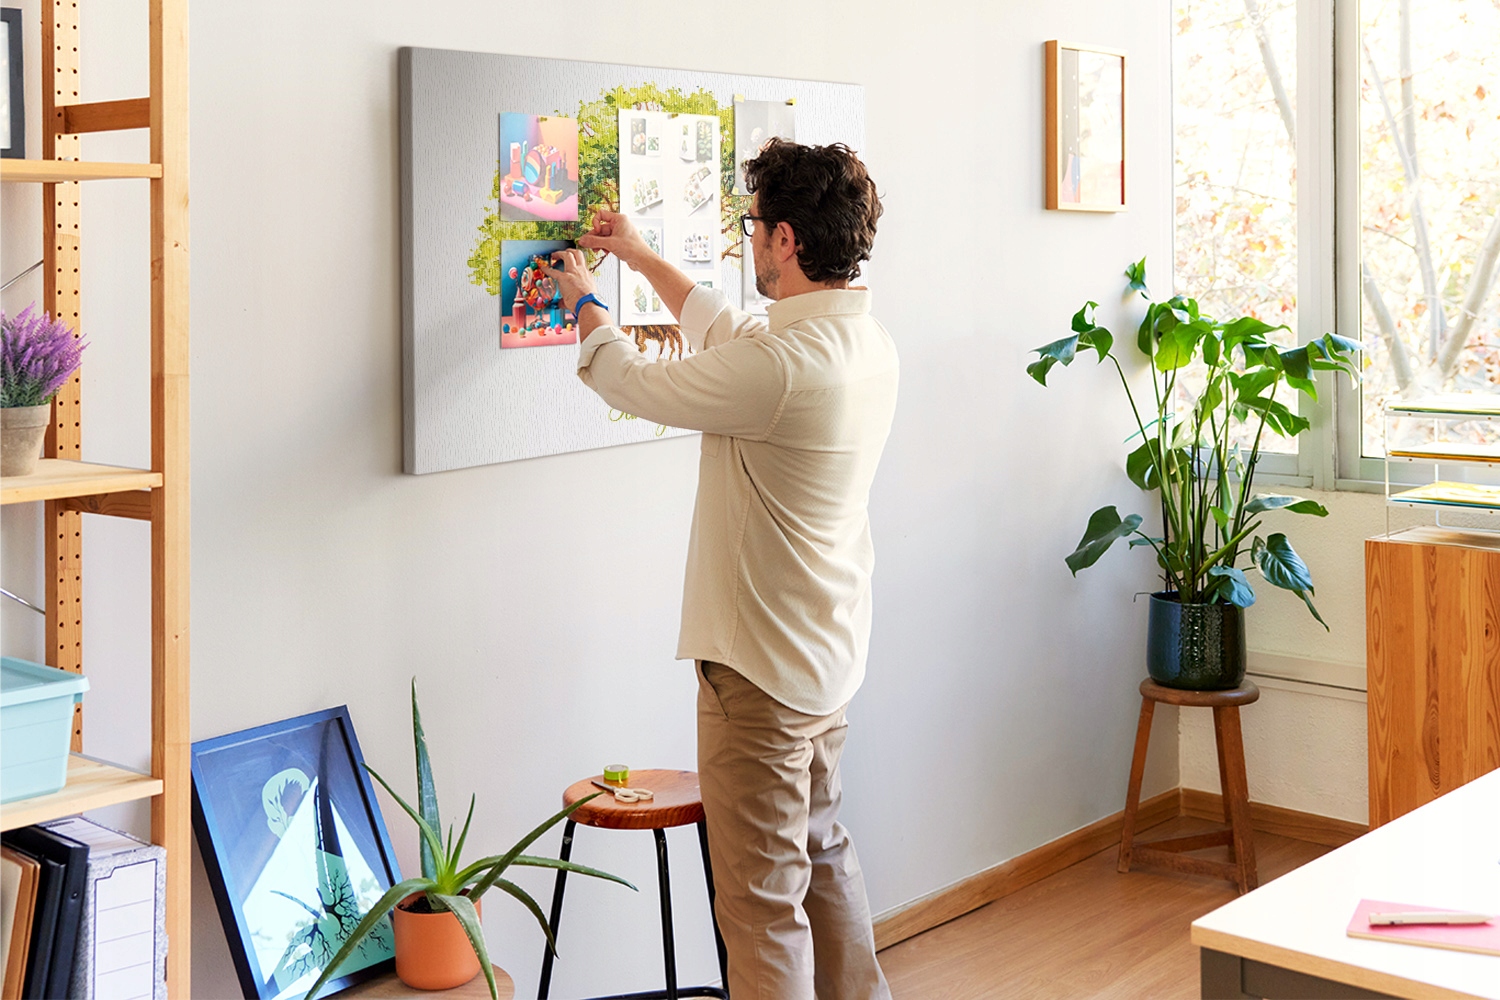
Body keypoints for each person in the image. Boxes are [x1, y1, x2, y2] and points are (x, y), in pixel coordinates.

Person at [541, 139, 897, 1000]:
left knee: (761, 905)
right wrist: (638, 254)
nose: (750, 243)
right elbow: (728, 330)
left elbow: (632, 381)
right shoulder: (860, 343)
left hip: (760, 677)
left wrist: (584, 298)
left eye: (754, 228)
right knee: (823, 859)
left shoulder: (780, 370)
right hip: (824, 660)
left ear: (786, 240)